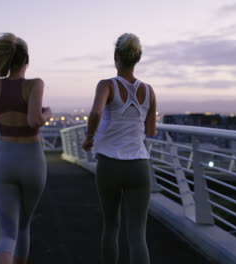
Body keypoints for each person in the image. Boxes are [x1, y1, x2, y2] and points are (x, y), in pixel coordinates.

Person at [82, 33, 157, 264]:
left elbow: (95, 112)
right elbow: (151, 131)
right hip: (138, 165)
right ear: (138, 59)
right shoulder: (149, 91)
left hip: (110, 164)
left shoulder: (107, 85)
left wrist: (89, 137)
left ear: (116, 56)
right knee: (137, 235)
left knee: (111, 226)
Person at [0, 33, 52, 264]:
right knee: (23, 227)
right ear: (26, 60)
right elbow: (34, 121)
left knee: (7, 233)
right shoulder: (35, 84)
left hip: (5, 161)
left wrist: (3, 112)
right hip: (32, 161)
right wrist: (48, 114)